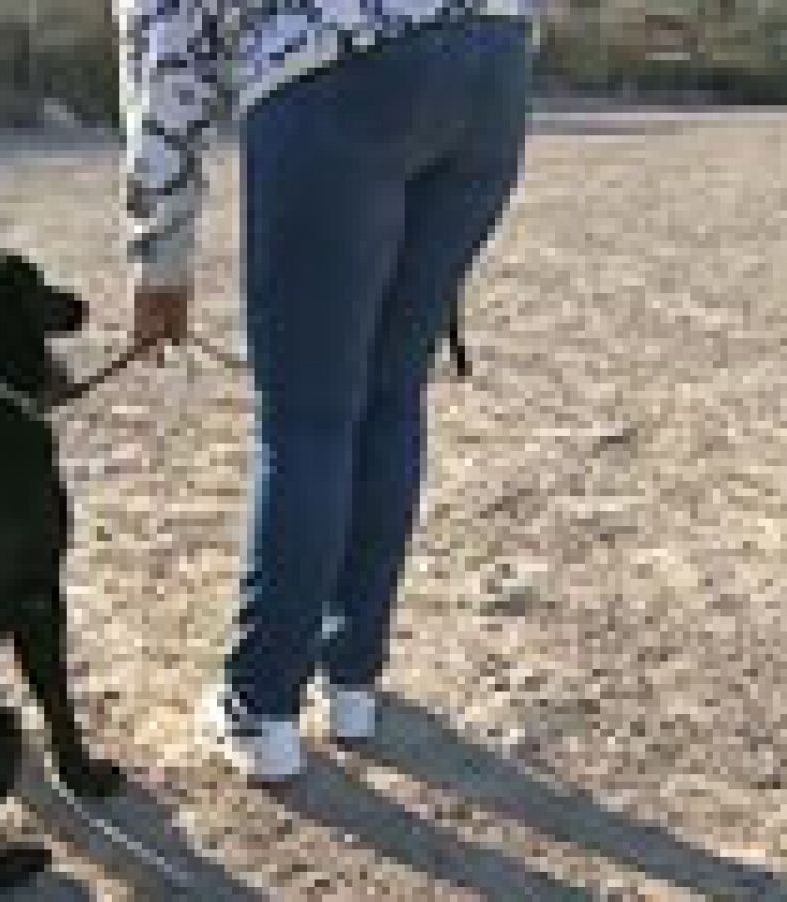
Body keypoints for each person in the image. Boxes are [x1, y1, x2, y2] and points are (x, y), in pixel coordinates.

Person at [120, 0, 537, 781]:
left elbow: (166, 54)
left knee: (309, 420)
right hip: (492, 55)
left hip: (333, 64)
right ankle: (352, 683)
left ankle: (263, 706)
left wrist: (160, 260)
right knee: (391, 392)